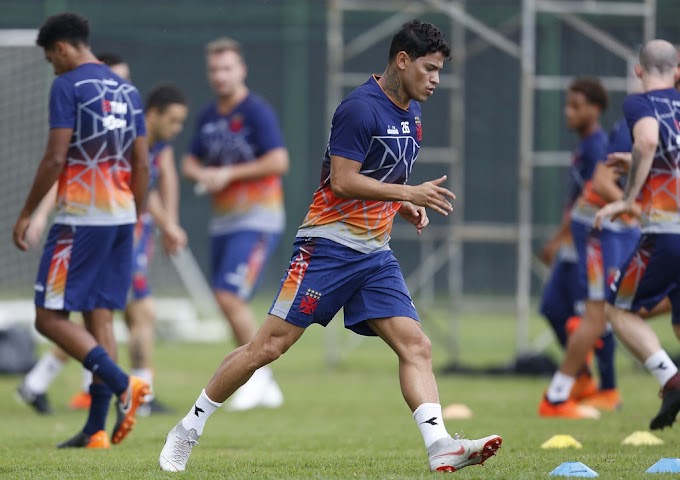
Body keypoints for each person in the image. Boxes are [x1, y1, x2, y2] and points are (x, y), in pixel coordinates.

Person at [159, 19, 502, 473]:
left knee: (416, 345)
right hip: (327, 247)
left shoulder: (413, 114)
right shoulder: (360, 108)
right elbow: (341, 181)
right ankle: (188, 428)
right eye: (430, 68)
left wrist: (403, 205)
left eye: (440, 70)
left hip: (374, 254)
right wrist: (408, 194)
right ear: (403, 60)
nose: (436, 79)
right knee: (266, 348)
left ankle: (439, 443)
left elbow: (379, 176)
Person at [16, 60, 188, 417]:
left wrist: (168, 223)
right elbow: (66, 168)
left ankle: (44, 385)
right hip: (106, 232)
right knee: (123, 313)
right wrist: (41, 213)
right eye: (172, 120)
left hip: (125, 233)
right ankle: (135, 390)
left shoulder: (150, 141)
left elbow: (156, 181)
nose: (121, 88)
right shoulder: (115, 135)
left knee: (95, 316)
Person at [11, 13, 150, 448]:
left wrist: (27, 212)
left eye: (51, 58)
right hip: (122, 217)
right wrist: (135, 216)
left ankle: (123, 382)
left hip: (80, 220)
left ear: (63, 48)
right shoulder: (128, 90)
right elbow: (143, 164)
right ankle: (95, 430)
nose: (52, 67)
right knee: (99, 315)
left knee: (48, 318)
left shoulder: (68, 85)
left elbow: (55, 158)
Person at [181, 37, 289, 411]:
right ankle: (260, 380)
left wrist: (229, 173)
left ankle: (261, 378)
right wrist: (205, 174)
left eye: (227, 68)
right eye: (214, 69)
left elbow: (278, 161)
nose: (220, 76)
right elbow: (189, 162)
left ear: (241, 70)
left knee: (230, 296)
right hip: (222, 223)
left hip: (257, 218)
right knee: (227, 301)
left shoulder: (256, 111)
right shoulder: (209, 116)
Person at [594, 39, 680, 430]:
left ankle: (670, 377)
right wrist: (638, 162)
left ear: (639, 71)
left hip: (666, 232)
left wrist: (628, 199)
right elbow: (663, 152)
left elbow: (647, 139)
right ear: (677, 72)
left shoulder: (638, 103)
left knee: (617, 308)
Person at [539, 78, 630, 418]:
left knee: (593, 317)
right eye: (568, 104)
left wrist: (560, 236)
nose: (568, 112)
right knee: (553, 308)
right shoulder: (584, 146)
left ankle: (607, 389)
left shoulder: (598, 145)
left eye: (576, 106)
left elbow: (594, 195)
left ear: (596, 108)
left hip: (592, 241)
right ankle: (581, 375)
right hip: (573, 242)